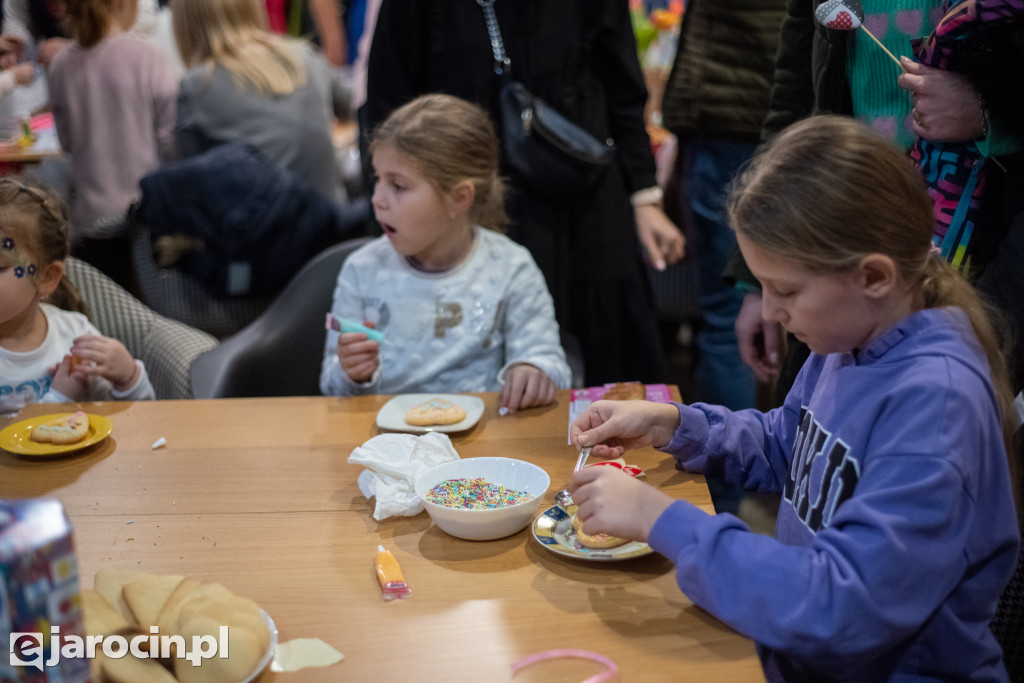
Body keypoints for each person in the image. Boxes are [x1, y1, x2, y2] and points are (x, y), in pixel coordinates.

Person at [567, 116, 1020, 680]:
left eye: (785, 290)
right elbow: (791, 445)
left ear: (873, 276)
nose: (773, 312)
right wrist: (673, 423)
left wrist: (663, 519)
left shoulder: (937, 404)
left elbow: (843, 605)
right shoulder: (849, 340)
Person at [363, 1, 685, 387]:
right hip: (472, 197)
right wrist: (395, 205)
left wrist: (644, 195)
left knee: (609, 355)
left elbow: (622, 88)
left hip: (587, 190)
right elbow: (389, 104)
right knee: (484, 361)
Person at [320, 94, 572, 414]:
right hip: (384, 445)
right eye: (377, 180)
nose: (377, 199)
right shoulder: (362, 269)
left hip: (482, 445)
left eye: (398, 185)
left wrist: (534, 370)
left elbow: (554, 366)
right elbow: (330, 384)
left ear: (459, 197)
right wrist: (352, 373)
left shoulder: (512, 268)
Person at [659, 0, 785, 410]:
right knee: (751, 311)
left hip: (735, 118)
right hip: (776, 117)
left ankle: (728, 470)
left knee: (732, 317)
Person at [47, 0, 177, 293]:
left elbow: (66, 142)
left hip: (92, 218)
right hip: (146, 217)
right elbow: (171, 142)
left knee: (107, 318)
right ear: (124, 3)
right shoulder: (149, 55)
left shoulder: (61, 63)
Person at [0, 177, 155, 415]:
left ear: (47, 277)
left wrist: (129, 378)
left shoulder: (74, 336)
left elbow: (140, 419)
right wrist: (59, 400)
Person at [172, 0, 345, 204]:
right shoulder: (303, 55)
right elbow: (354, 102)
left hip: (264, 231)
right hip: (337, 222)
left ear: (183, 22)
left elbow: (190, 186)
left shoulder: (196, 88)